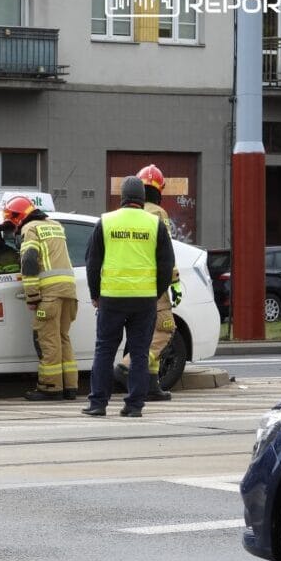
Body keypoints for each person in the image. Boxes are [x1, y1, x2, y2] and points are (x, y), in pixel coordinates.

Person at [83, 176, 174, 418]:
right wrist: (155, 293)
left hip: (111, 298)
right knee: (140, 352)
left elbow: (92, 262)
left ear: (122, 197)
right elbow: (167, 265)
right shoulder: (154, 224)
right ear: (142, 199)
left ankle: (98, 404)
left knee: (104, 350)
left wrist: (95, 294)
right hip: (144, 300)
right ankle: (134, 406)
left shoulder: (106, 221)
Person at [114, 164, 182, 401]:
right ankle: (128, 365)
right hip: (155, 283)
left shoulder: (126, 214)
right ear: (159, 189)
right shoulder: (158, 214)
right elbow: (165, 252)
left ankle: (151, 384)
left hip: (131, 283)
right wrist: (174, 281)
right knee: (165, 328)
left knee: (147, 331)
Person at [2, 196, 78, 401]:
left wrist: (32, 296)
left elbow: (28, 261)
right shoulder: (56, 226)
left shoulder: (30, 229)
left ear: (18, 218)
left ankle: (51, 387)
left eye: (11, 222)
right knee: (63, 338)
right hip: (69, 291)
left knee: (48, 340)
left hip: (50, 294)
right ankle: (70, 386)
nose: (13, 229)